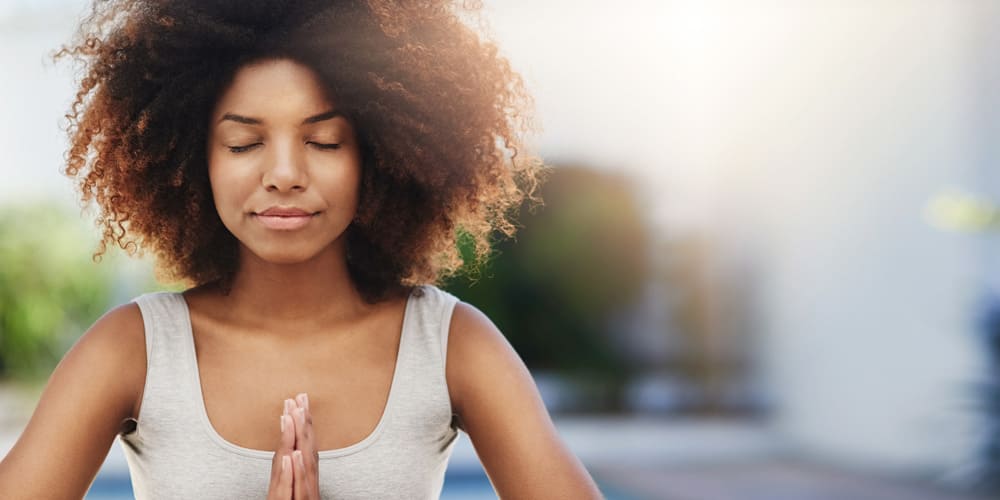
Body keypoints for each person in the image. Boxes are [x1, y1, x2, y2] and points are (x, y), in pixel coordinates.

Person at [0, 0, 605, 498]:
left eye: (324, 141)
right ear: (192, 159)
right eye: (243, 144)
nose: (284, 173)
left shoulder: (450, 346)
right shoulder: (132, 350)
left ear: (379, 154)